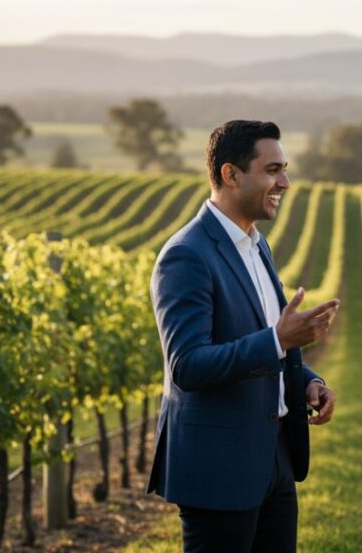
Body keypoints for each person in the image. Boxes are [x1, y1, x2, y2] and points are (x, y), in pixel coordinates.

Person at [146, 120, 340, 553]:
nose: (285, 182)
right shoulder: (186, 255)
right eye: (272, 170)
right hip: (218, 467)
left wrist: (309, 382)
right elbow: (188, 366)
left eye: (285, 169)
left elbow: (263, 341)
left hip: (274, 460)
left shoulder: (257, 246)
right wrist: (279, 340)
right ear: (231, 175)